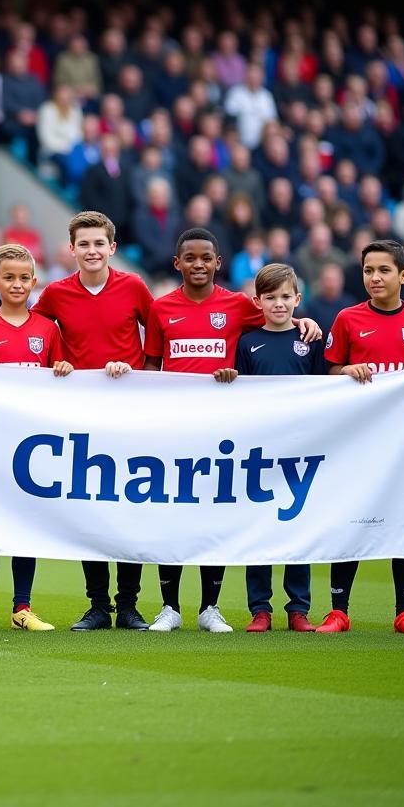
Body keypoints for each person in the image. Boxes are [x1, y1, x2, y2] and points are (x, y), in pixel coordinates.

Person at [0, 211, 153, 631]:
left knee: (127, 508)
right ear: (71, 249)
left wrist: (144, 381)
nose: (91, 251)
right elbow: (20, 320)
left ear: (112, 248)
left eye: (98, 244)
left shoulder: (135, 287)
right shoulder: (55, 294)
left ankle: (128, 605)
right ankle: (97, 606)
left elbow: (157, 340)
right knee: (89, 508)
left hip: (129, 415)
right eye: (83, 244)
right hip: (78, 418)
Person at [142, 227, 321, 633]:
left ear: (218, 263)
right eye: (190, 258)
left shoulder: (240, 305)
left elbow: (281, 317)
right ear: (178, 264)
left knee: (216, 516)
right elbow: (152, 367)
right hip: (176, 430)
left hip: (225, 434)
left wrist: (307, 321)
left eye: (207, 257)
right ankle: (170, 607)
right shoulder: (161, 308)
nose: (199, 264)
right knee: (172, 516)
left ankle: (210, 607)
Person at [319, 238, 404, 636]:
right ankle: (339, 611)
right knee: (352, 522)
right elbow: (328, 375)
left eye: (384, 270)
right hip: (360, 445)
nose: (375, 277)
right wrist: (345, 372)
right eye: (369, 270)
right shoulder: (347, 319)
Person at [0, 243, 73, 633]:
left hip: (32, 446)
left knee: (25, 524)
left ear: (35, 281)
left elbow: (64, 374)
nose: (17, 284)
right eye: (9, 277)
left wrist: (62, 367)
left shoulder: (47, 329)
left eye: (24, 278)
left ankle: (22, 608)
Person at [229, 264, 326, 632]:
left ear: (298, 299)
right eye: (270, 297)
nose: (279, 303)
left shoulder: (311, 339)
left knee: (296, 526)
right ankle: (260, 609)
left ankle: (298, 608)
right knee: (261, 528)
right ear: (258, 301)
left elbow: (325, 390)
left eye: (286, 297)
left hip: (301, 449)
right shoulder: (248, 342)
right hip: (260, 449)